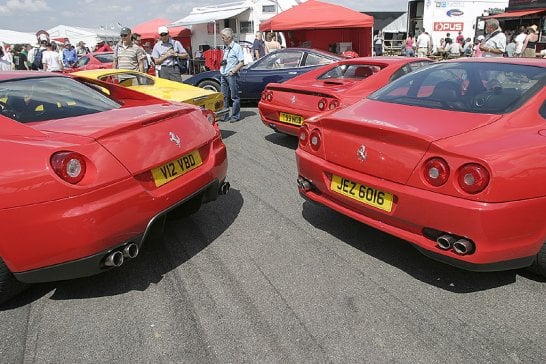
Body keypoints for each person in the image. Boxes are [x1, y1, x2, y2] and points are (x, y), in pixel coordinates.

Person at [219, 28, 244, 123]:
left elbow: (241, 62)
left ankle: (235, 116)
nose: (222, 39)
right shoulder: (225, 47)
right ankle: (225, 116)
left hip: (231, 75)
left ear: (229, 38)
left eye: (223, 37)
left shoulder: (237, 47)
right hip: (223, 74)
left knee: (234, 97)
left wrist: (233, 71)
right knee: (223, 96)